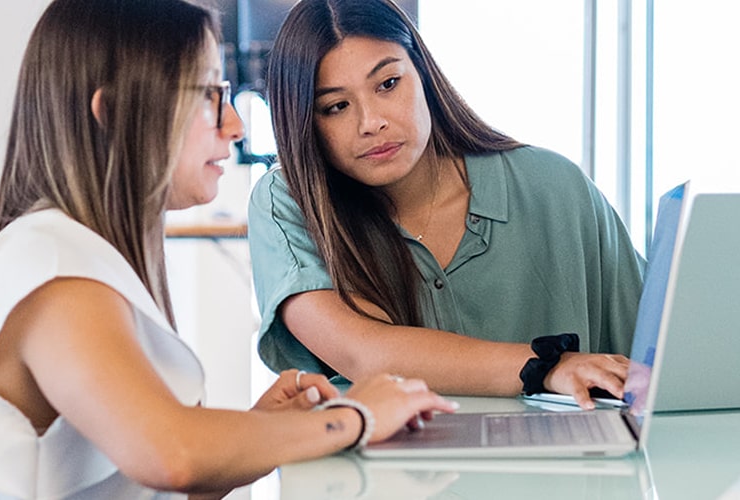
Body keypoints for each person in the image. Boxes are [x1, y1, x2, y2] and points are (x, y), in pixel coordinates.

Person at [0, 1, 456, 498]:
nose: (236, 126)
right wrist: (357, 417)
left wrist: (258, 431)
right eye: (212, 95)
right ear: (114, 113)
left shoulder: (85, 259)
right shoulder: (52, 271)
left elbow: (156, 477)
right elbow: (173, 456)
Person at [249, 0, 645, 409]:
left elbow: (659, 354)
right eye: (336, 107)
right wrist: (546, 366)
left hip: (573, 470)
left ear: (423, 74)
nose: (371, 122)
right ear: (304, 122)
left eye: (387, 84)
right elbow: (366, 353)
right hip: (381, 473)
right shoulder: (289, 204)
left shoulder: (555, 186)